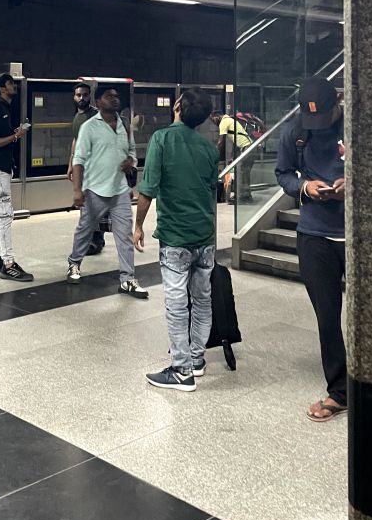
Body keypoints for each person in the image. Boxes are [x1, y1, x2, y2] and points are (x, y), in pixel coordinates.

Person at [135, 88, 218, 392]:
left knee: (176, 302)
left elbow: (148, 189)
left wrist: (138, 225)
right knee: (202, 299)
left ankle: (181, 370)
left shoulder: (162, 139)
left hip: (176, 237)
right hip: (205, 236)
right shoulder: (209, 148)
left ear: (178, 105)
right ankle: (197, 359)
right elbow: (211, 191)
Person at [276, 77, 346, 423]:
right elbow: (283, 173)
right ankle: (341, 391)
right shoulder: (295, 132)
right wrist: (305, 186)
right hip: (314, 234)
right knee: (327, 317)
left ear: (337, 104)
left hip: (356, 234)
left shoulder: (357, 126)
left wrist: (354, 182)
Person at [68, 85, 148, 298]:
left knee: (124, 235)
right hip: (94, 189)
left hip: (120, 190)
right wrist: (77, 190)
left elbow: (132, 152)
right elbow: (79, 159)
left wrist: (131, 161)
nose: (114, 99)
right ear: (98, 101)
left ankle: (127, 279)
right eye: (108, 96)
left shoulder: (124, 125)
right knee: (85, 229)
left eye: (116, 96)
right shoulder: (89, 127)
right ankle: (74, 262)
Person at [0, 73, 34, 282]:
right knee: (5, 214)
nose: (14, 86)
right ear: (2, 89)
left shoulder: (2, 108)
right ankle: (8, 263)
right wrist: (16, 136)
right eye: (11, 83)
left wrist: (14, 133)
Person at [67, 81, 105, 255]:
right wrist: (71, 164)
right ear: (74, 97)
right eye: (78, 95)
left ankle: (96, 239)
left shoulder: (96, 115)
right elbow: (76, 140)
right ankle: (91, 238)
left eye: (85, 95)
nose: (81, 98)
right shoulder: (77, 117)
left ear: (90, 96)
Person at [211, 110, 253, 202]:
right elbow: (236, 140)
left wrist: (213, 154)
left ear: (217, 116)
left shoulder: (224, 122)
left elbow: (221, 142)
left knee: (240, 171)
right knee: (245, 173)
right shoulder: (230, 120)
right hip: (249, 147)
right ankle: (246, 196)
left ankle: (241, 196)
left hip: (247, 147)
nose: (214, 123)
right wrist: (233, 157)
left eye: (213, 120)